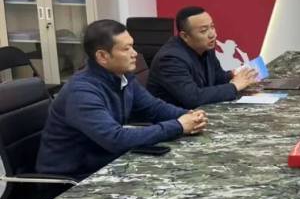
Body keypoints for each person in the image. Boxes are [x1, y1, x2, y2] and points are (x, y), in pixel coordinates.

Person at [37, 20, 208, 180]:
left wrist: (190, 116)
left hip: (107, 163)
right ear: (102, 56)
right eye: (126, 49)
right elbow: (116, 139)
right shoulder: (81, 93)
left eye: (132, 46)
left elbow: (154, 108)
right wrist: (178, 126)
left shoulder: (122, 77)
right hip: (74, 180)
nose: (135, 54)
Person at [147, 6, 259, 109]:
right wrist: (234, 86)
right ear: (185, 36)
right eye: (204, 30)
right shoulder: (170, 59)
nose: (212, 34)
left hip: (201, 113)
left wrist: (239, 75)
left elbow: (218, 77)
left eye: (212, 27)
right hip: (175, 118)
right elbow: (193, 97)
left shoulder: (205, 47)